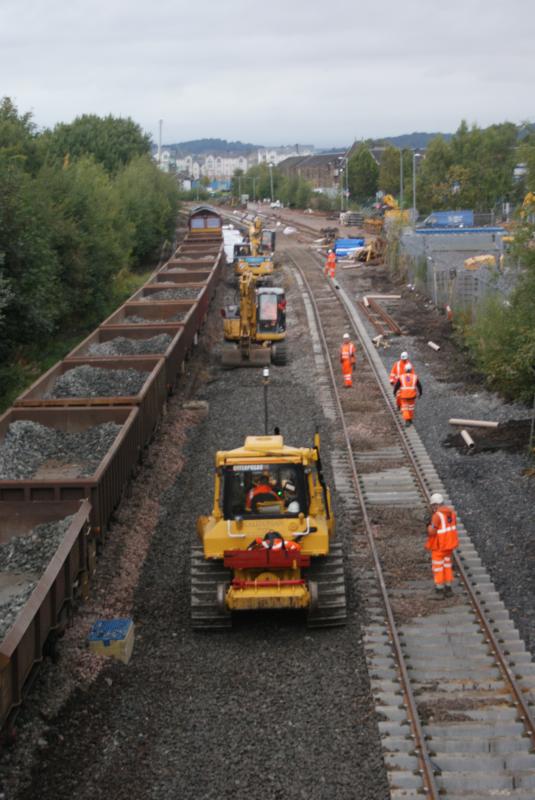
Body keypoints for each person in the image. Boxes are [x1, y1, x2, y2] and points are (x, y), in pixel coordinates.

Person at [425, 493, 458, 597]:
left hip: (440, 546)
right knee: (447, 565)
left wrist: (428, 526)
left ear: (436, 505)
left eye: (433, 505)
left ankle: (439, 589)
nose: (432, 508)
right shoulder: (451, 513)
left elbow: (432, 532)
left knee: (438, 567)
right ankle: (448, 588)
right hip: (449, 546)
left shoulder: (437, 516)